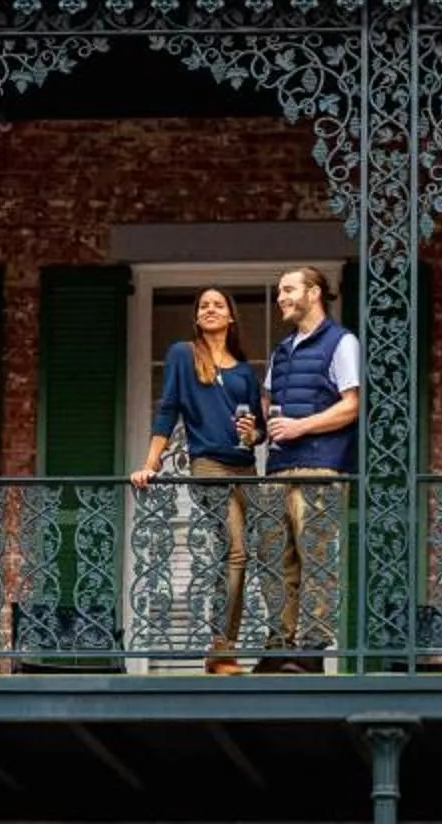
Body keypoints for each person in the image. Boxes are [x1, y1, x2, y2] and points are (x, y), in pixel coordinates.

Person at [128, 287, 263, 673]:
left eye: (218, 304)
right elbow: (168, 408)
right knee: (236, 551)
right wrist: (150, 464)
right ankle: (222, 651)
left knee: (237, 557)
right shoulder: (183, 355)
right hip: (209, 467)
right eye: (203, 305)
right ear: (197, 317)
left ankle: (224, 648)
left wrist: (252, 432)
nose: (209, 309)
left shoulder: (242, 370)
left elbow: (260, 431)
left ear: (231, 316)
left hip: (245, 467)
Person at [260, 265, 361, 672]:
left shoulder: (342, 342)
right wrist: (258, 425)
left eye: (288, 290)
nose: (280, 297)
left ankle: (314, 651)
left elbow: (351, 405)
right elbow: (269, 402)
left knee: (316, 558)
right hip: (278, 465)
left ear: (314, 292)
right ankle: (279, 646)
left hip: (321, 466)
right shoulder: (282, 350)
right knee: (274, 559)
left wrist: (301, 425)